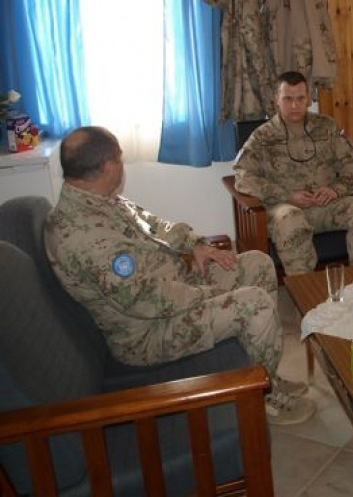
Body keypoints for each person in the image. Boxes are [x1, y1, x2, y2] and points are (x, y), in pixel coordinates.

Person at [44, 126, 314, 426]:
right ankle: (262, 396)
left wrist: (195, 244)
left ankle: (264, 373)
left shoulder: (100, 200)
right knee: (255, 305)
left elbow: (153, 224)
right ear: (107, 166)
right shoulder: (83, 237)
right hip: (149, 331)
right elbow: (145, 301)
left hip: (175, 288)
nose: (121, 166)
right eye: (119, 158)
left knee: (257, 264)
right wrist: (210, 294)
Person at [234, 70, 353, 275]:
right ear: (276, 99)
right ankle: (304, 287)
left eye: (300, 98)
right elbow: (243, 176)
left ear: (308, 99)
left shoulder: (326, 127)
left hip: (327, 205)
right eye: (288, 99)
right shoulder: (262, 137)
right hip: (285, 209)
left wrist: (335, 190)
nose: (295, 105)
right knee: (291, 219)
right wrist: (287, 195)